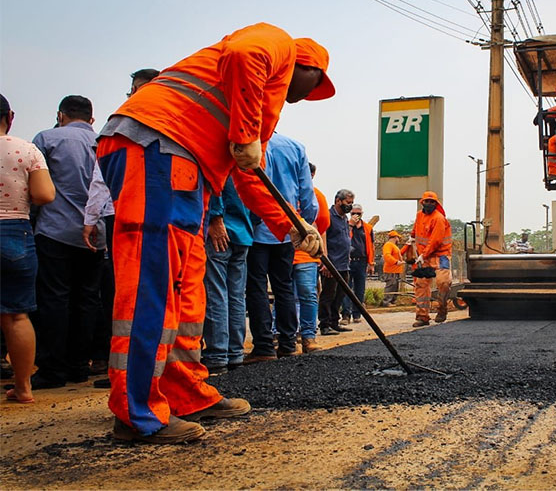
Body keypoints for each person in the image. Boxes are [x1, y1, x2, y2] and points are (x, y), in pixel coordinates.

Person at [95, 23, 331, 444]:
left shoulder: (256, 101)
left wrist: (293, 226)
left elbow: (249, 173)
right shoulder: (274, 43)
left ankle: (185, 394)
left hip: (185, 166)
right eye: (313, 85)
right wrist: (245, 136)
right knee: (154, 285)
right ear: (307, 65)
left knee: (188, 293)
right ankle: (137, 413)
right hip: (156, 146)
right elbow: (244, 56)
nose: (304, 97)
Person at [84, 68, 160, 387]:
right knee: (157, 293)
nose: (130, 96)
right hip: (161, 218)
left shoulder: (123, 123)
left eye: (134, 89)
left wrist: (90, 219)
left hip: (128, 217)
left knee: (127, 293)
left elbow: (102, 178)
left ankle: (129, 376)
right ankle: (148, 372)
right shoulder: (175, 123)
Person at [29, 95, 106, 390]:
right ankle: (79, 366)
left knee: (54, 299)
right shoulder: (104, 141)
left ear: (61, 115)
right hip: (96, 235)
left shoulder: (47, 138)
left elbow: (37, 189)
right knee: (88, 300)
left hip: (54, 231)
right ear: (91, 119)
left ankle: (52, 368)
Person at [0, 94, 56, 404]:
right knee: (16, 317)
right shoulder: (26, 150)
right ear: (10, 116)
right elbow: (46, 194)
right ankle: (23, 387)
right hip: (14, 231)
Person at [244, 133, 317, 361]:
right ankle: (287, 343)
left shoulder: (249, 144)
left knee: (256, 288)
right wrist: (303, 226)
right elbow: (308, 196)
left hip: (255, 230)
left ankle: (264, 346)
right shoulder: (295, 147)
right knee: (284, 287)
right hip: (287, 232)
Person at [202, 175, 253, 374]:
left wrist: (215, 217)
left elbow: (214, 182)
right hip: (243, 231)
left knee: (217, 292)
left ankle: (217, 355)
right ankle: (235, 353)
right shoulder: (252, 159)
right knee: (236, 296)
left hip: (221, 228)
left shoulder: (223, 155)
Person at [292, 162, 330, 353]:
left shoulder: (317, 197)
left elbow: (322, 227)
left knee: (307, 294)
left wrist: (322, 256)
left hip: (306, 256)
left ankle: (308, 336)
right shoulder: (285, 191)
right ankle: (282, 334)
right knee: (285, 296)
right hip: (283, 253)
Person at [409, 191, 452, 327]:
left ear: (436, 203)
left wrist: (423, 255)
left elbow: (436, 240)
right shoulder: (419, 216)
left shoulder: (438, 218)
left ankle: (442, 309)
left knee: (443, 283)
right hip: (424, 257)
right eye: (426, 201)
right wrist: (411, 239)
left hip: (440, 255)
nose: (429, 204)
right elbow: (416, 231)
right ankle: (422, 317)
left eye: (432, 202)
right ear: (422, 202)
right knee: (421, 285)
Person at [318, 189, 355, 335]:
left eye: (351, 203)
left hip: (344, 263)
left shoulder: (344, 218)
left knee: (340, 294)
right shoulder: (328, 216)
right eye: (347, 202)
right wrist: (325, 261)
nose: (349, 206)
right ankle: (324, 324)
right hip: (331, 263)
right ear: (338, 201)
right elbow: (323, 237)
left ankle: (334, 321)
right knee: (328, 294)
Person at [341, 203, 374, 324]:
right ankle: (345, 315)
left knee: (360, 289)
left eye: (358, 213)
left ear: (362, 214)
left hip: (362, 261)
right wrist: (351, 225)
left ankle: (357, 314)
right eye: (353, 213)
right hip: (348, 260)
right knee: (346, 288)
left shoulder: (368, 228)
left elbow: (371, 246)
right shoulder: (345, 225)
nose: (356, 215)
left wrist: (371, 263)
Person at [381, 230, 405, 306]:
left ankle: (392, 301)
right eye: (398, 237)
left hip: (395, 270)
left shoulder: (394, 246)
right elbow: (387, 256)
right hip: (390, 270)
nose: (399, 239)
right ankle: (386, 302)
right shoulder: (388, 245)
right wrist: (396, 262)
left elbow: (399, 253)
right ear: (395, 237)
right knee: (390, 286)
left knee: (394, 286)